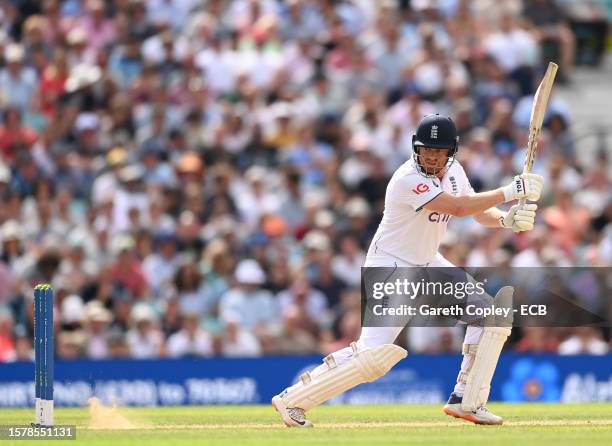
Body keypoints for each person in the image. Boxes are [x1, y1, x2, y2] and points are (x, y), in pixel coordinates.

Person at [272, 114, 543, 427]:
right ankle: (292, 399)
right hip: (392, 267)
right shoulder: (406, 178)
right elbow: (456, 207)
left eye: (438, 152)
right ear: (416, 148)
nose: (430, 156)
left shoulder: (454, 170)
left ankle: (467, 400)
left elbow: (475, 209)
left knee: (490, 315)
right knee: (372, 360)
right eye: (425, 150)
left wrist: (505, 219)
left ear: (451, 152)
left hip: (428, 263)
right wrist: (511, 191)